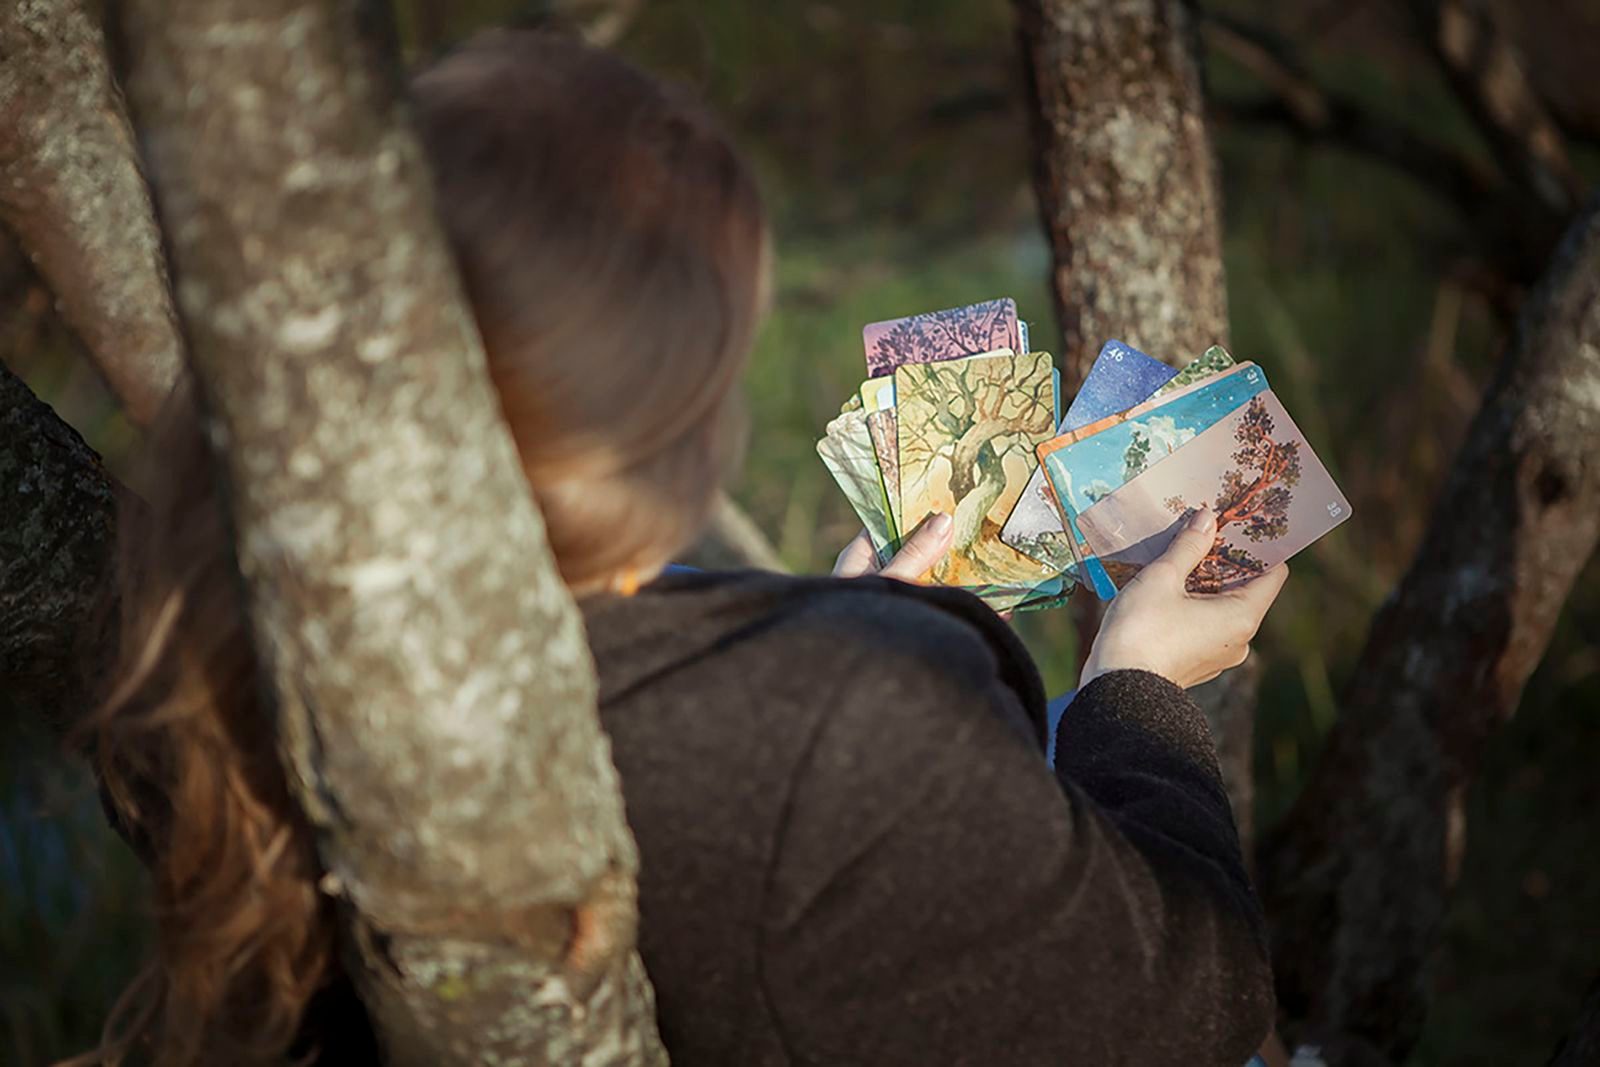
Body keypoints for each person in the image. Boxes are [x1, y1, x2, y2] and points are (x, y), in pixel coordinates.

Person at [82, 27, 1283, 1067]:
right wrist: (1138, 685)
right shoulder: (836, 729)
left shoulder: (209, 646)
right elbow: (1188, 1009)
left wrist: (797, 634)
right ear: (662, 431)